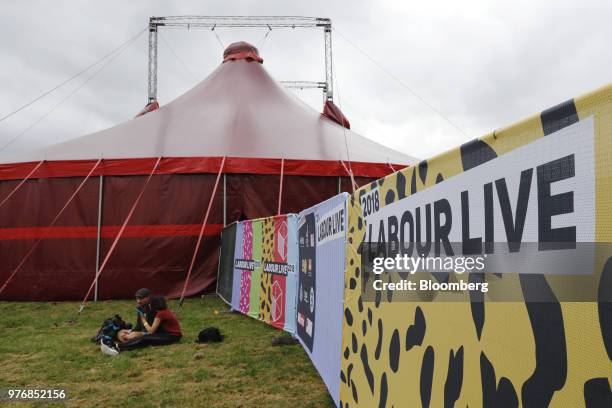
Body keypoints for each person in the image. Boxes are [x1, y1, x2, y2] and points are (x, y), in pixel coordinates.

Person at [115, 295, 182, 352]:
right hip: (170, 334)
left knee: (145, 339)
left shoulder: (160, 314)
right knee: (145, 338)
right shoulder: (165, 311)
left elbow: (151, 331)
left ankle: (120, 347)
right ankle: (121, 346)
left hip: (172, 336)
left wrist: (143, 320)